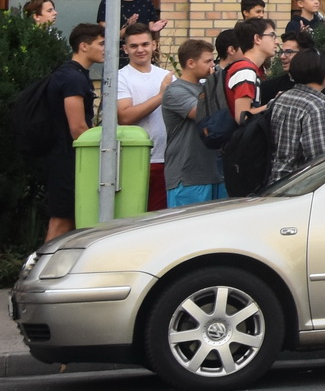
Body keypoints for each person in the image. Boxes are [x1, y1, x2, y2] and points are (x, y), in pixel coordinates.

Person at [34, 24, 105, 242]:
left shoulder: (73, 74)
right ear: (84, 46)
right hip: (66, 160)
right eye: (101, 44)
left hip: (65, 158)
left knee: (72, 221)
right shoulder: (73, 78)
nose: (105, 49)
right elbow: (78, 128)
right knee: (62, 221)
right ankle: (42, 264)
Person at [115, 26, 172, 211]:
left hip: (166, 160)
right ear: (125, 49)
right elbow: (125, 117)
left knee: (160, 217)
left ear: (154, 45)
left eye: (145, 44)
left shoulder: (166, 76)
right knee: (133, 215)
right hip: (134, 160)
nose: (140, 50)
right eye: (134, 46)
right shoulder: (120, 77)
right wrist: (160, 96)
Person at [161, 38, 223, 207]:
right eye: (208, 61)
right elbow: (202, 113)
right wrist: (216, 84)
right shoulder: (175, 91)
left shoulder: (205, 88)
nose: (213, 65)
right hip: (188, 177)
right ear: (190, 63)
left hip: (213, 173)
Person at [267, 50, 325, 184]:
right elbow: (319, 161)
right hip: (299, 186)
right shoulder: (315, 108)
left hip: (273, 181)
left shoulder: (280, 99)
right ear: (320, 72)